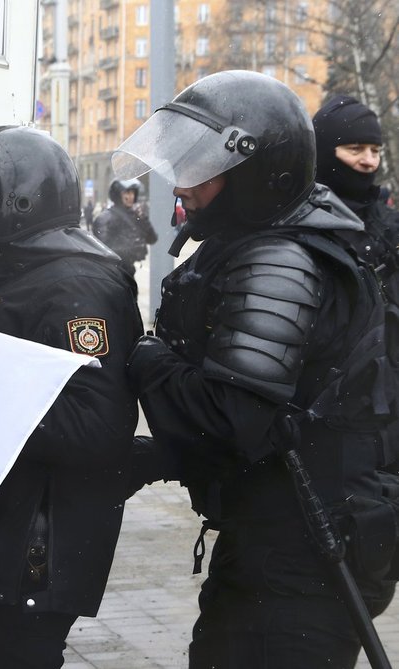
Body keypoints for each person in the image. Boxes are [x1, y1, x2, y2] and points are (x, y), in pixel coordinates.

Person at [112, 70, 397, 667]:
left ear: (257, 172)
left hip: (306, 559)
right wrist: (157, 457)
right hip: (271, 539)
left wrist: (142, 356)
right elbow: (275, 414)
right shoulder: (255, 238)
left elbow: (234, 416)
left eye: (202, 168)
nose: (182, 184)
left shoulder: (279, 258)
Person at [0, 125, 143, 668]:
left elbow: (96, 429)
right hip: (3, 546)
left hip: (30, 558)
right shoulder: (24, 277)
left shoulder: (77, 285)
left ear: (12, 203)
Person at [313, 95, 399, 466]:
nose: (368, 160)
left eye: (375, 150)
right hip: (334, 419)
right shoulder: (302, 221)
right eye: (354, 148)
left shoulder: (388, 223)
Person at [92, 178, 158, 278]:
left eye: (133, 193)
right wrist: (128, 248)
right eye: (127, 193)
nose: (131, 196)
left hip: (128, 271)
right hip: (112, 274)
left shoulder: (134, 216)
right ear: (118, 194)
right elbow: (102, 250)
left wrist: (143, 220)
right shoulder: (106, 218)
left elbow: (152, 239)